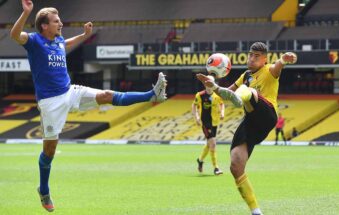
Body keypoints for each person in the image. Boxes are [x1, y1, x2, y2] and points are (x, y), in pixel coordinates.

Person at [10, 0, 167, 212]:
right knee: (50, 150)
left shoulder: (58, 41)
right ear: (44, 25)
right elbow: (14, 35)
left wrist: (83, 36)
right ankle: (44, 189)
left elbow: (66, 43)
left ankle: (152, 95)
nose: (61, 24)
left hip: (69, 91)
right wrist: (26, 13)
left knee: (106, 95)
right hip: (50, 102)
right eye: (56, 21)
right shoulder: (34, 41)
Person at [196, 42, 297, 215]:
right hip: (251, 120)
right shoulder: (245, 75)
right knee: (236, 165)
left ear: (265, 59)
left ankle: (242, 97)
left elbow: (279, 64)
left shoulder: (270, 70)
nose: (251, 58)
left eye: (256, 56)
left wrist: (286, 59)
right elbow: (226, 93)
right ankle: (256, 211)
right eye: (250, 55)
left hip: (267, 114)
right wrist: (212, 87)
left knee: (247, 91)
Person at [192, 75, 225, 176]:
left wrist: (222, 112)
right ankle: (216, 168)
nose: (209, 84)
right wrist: (196, 117)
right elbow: (194, 105)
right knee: (213, 144)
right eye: (208, 82)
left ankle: (200, 160)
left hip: (215, 122)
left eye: (211, 82)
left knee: (209, 144)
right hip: (205, 123)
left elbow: (222, 104)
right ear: (205, 83)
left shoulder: (217, 95)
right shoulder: (200, 95)